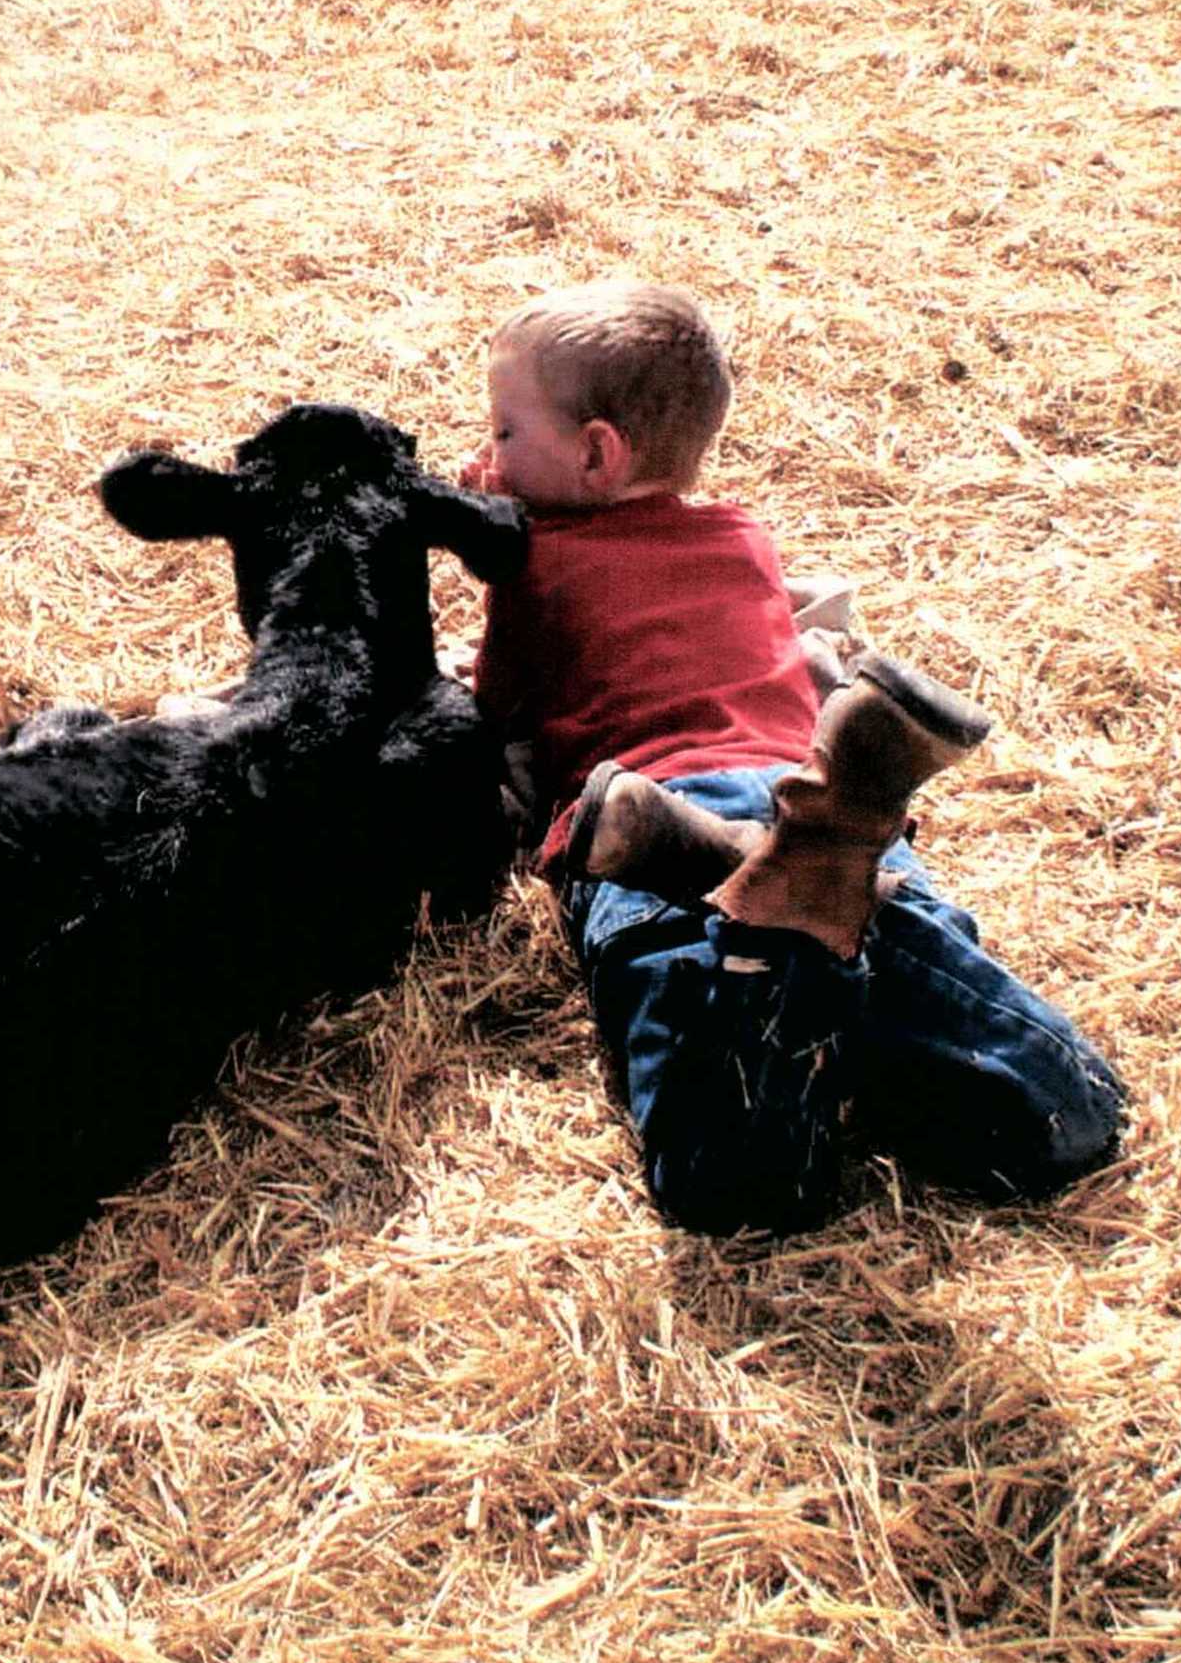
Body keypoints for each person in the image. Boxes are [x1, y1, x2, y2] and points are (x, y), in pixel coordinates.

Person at [465, 279, 1127, 1234]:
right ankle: (803, 863)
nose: (486, 458)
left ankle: (725, 871)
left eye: (503, 434)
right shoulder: (744, 538)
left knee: (735, 1191)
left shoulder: (538, 569)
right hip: (795, 790)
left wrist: (492, 547)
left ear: (596, 453)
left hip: (646, 819)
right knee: (1070, 1125)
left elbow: (499, 710)